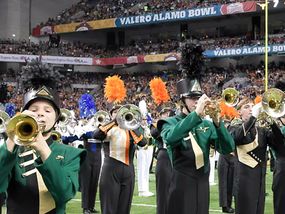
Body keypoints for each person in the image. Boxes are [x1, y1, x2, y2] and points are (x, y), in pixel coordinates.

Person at [0, 61, 86, 214]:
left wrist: (43, 148)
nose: (40, 113)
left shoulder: (70, 153)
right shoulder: (10, 150)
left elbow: (64, 194)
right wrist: (12, 137)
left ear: (57, 117)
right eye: (34, 109)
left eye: (47, 110)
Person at [157, 77, 235, 214]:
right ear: (182, 101)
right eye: (192, 98)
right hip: (182, 183)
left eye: (198, 98)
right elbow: (170, 138)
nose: (197, 102)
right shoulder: (169, 122)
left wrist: (218, 124)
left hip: (203, 182)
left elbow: (227, 148)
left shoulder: (206, 124)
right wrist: (196, 115)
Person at [229, 96, 284, 214]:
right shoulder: (234, 126)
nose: (250, 109)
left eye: (252, 107)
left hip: (260, 181)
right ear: (239, 112)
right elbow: (237, 138)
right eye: (246, 107)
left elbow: (280, 145)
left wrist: (272, 122)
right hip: (244, 181)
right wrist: (254, 116)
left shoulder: (262, 129)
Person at [93, 104, 147, 214]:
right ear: (111, 115)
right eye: (115, 112)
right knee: (109, 207)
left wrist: (131, 126)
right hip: (110, 169)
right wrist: (114, 121)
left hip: (128, 170)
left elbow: (143, 142)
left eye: (121, 112)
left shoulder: (132, 129)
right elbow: (96, 135)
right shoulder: (108, 127)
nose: (119, 114)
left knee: (124, 207)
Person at [150, 106, 174, 214]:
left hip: (176, 157)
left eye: (168, 113)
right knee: (163, 190)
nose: (167, 116)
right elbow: (154, 133)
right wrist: (163, 123)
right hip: (164, 156)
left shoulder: (176, 123)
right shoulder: (157, 124)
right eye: (164, 114)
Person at [137, 118, 154, 197]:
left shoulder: (147, 127)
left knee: (146, 169)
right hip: (141, 149)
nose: (144, 121)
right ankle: (141, 190)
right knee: (142, 169)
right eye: (143, 119)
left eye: (145, 119)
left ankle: (146, 189)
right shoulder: (137, 128)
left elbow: (151, 138)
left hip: (149, 148)